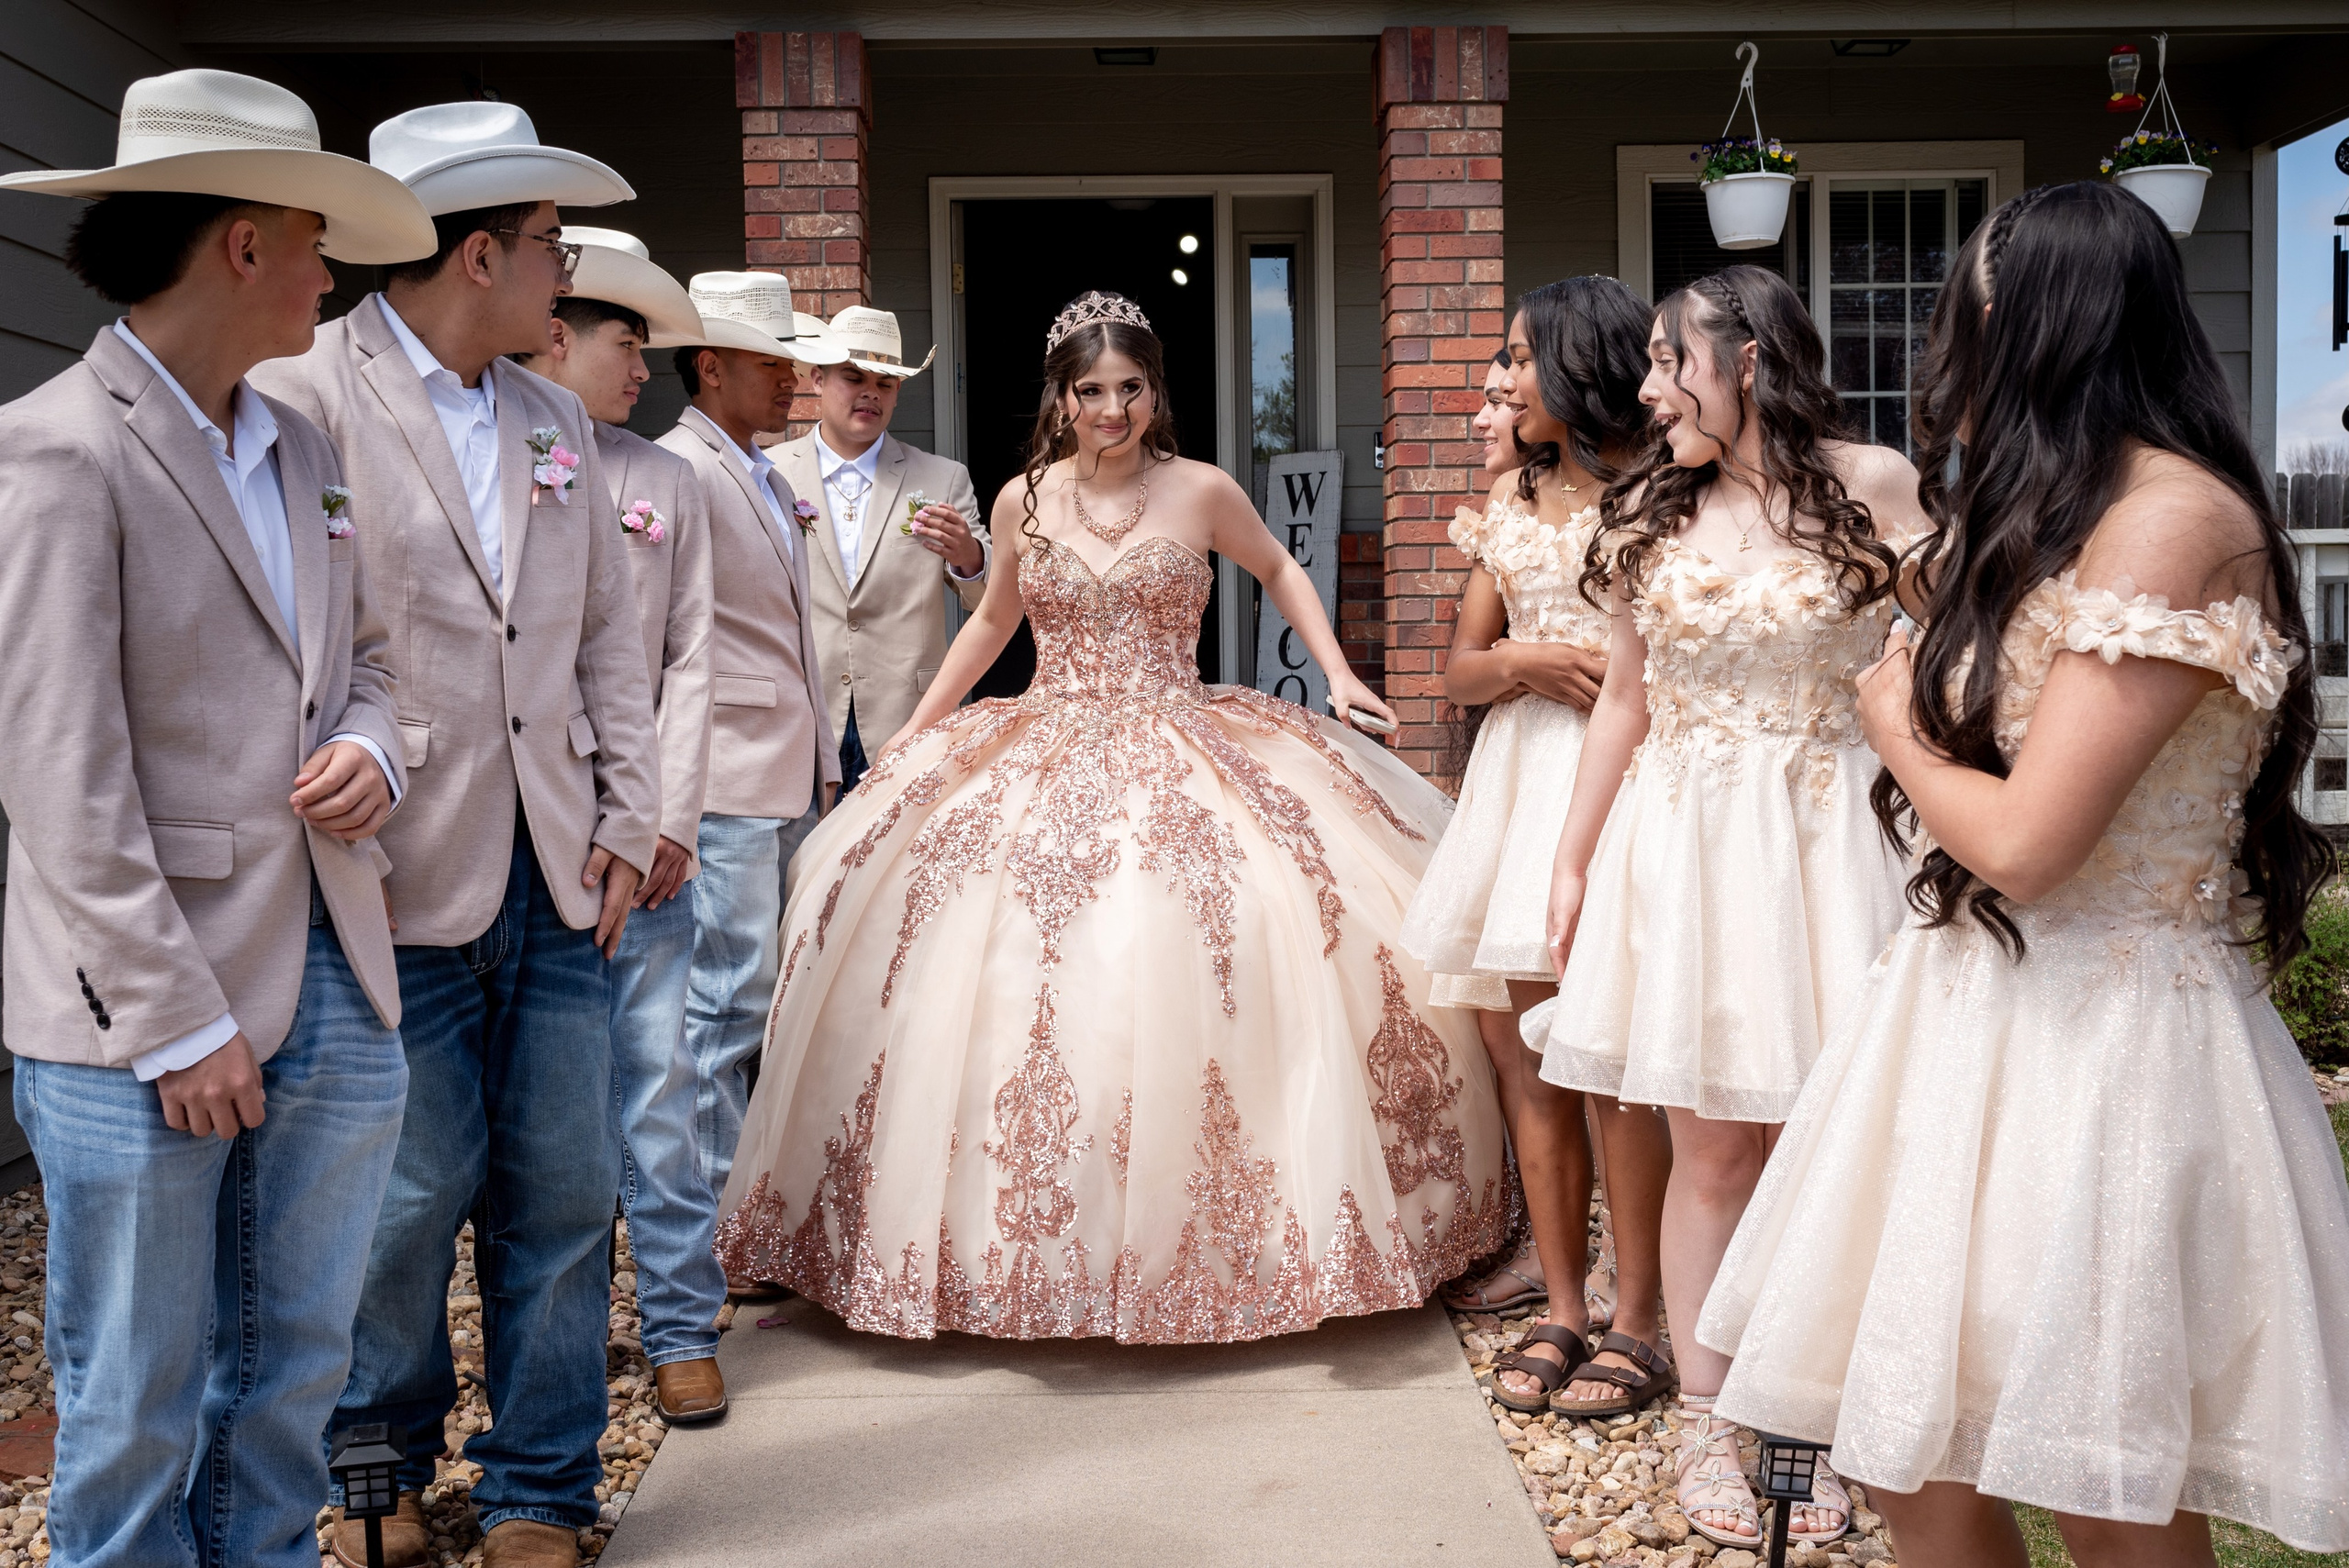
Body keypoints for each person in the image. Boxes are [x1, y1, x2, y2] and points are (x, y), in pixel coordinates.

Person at [1700, 182, 2349, 1566]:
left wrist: (1890, 725)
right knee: (1909, 1448)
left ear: (2043, 325)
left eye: (1972, 326)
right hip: (1968, 1020)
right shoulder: (2061, 510)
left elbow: (2028, 846)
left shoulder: (2175, 521)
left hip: (2107, 1047)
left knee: (2106, 1489)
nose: (1954, 359)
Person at [710, 289, 1509, 1342]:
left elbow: (1277, 566)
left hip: (1181, 730)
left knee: (1240, 936)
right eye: (1091, 390)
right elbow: (993, 620)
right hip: (1045, 730)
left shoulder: (1202, 487)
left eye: (1130, 388)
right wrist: (915, 730)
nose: (1112, 410)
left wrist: (1339, 670)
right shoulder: (1021, 498)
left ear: (1153, 392)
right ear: (1062, 397)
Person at [0, 69, 431, 1568]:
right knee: (135, 1402)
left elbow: (372, 667)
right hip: (144, 1008)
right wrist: (176, 1020)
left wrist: (375, 748)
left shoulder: (305, 446)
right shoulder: (55, 446)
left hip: (336, 970)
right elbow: (58, 767)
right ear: (244, 243)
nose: (332, 276)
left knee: (294, 1371)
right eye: (315, 241)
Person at [250, 101, 659, 1568]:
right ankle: (376, 1473)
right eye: (553, 245)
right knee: (403, 1198)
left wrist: (632, 813)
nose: (569, 273)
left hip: (559, 867)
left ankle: (544, 1485)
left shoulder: (557, 420)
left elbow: (608, 636)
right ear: (478, 254)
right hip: (386, 870)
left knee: (567, 1192)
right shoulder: (302, 392)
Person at [1529, 264, 1931, 1549]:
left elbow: (1950, 649)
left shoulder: (1874, 486)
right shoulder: (1652, 509)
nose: (1649, 389)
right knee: (1710, 1150)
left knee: (1824, 1148)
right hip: (1690, 850)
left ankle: (1805, 1424)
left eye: (1670, 360)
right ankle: (1708, 1418)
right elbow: (1626, 699)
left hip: (1831, 849)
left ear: (1748, 359)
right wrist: (1571, 859)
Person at [1404, 282, 1675, 1420]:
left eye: (1518, 359)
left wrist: (1610, 675)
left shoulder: (1665, 494)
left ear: (1575, 368)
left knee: (1613, 1056)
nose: (1500, 380)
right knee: (1529, 1058)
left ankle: (1639, 1312)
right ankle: (1562, 1304)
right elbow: (1459, 674)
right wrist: (1524, 661)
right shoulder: (1509, 497)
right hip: (1520, 789)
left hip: (1625, 781)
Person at [508, 229, 730, 1425]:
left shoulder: (666, 479)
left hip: (642, 839)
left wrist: (665, 817)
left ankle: (683, 1324)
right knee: (550, 1123)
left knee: (659, 1085)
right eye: (625, 344)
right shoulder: (499, 456)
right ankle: (564, 1341)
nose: (644, 369)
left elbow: (690, 656)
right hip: (527, 839)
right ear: (555, 336)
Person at [656, 272, 844, 1275]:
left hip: (787, 773)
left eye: (791, 362)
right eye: (770, 362)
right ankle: (718, 1243)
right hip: (722, 780)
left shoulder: (766, 475)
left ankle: (761, 1214)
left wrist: (822, 762)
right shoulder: (678, 469)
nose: (790, 381)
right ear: (709, 366)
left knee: (775, 1003)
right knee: (724, 1008)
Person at [771, 305, 986, 794]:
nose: (871, 392)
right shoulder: (770, 472)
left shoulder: (943, 477)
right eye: (853, 377)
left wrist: (968, 556)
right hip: (803, 712)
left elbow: (988, 601)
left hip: (908, 714)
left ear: (897, 393)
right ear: (818, 380)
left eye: (885, 383)